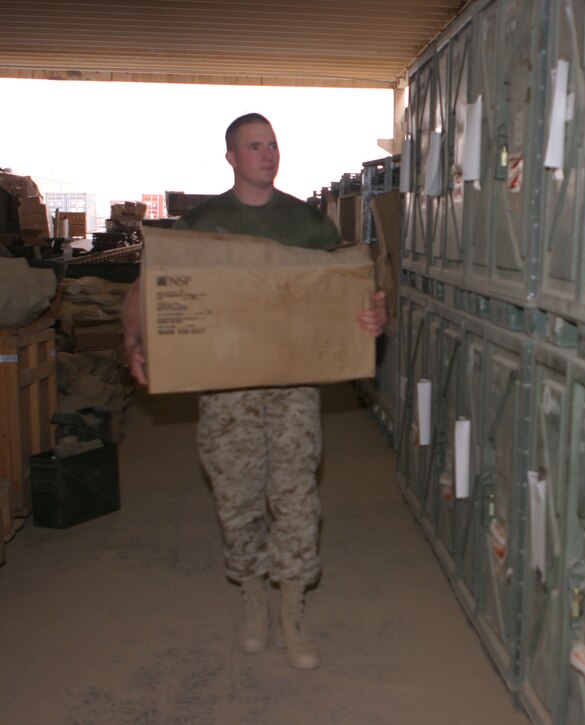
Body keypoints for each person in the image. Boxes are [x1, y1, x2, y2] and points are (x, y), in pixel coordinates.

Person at [121, 113, 387, 670]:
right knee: (236, 497)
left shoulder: (308, 225)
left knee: (295, 496)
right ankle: (250, 598)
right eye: (255, 146)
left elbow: (346, 290)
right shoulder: (201, 225)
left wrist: (370, 317)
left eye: (272, 145)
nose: (267, 154)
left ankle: (291, 612)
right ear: (232, 157)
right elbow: (147, 288)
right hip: (226, 389)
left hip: (293, 387)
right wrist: (134, 339)